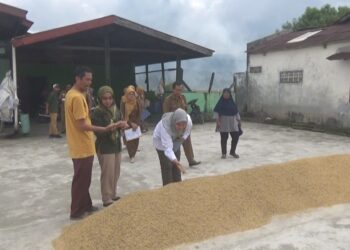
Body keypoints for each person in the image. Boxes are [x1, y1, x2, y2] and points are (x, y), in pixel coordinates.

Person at [65, 66, 118, 220]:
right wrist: (104, 128)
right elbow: (81, 125)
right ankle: (76, 211)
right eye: (86, 79)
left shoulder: (75, 94)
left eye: (90, 79)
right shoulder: (76, 97)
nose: (89, 83)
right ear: (77, 78)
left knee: (84, 178)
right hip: (81, 145)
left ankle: (86, 205)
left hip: (83, 144)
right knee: (81, 180)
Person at [92, 86, 129, 207]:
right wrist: (114, 126)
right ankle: (106, 197)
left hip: (116, 144)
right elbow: (98, 131)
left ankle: (113, 193)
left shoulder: (115, 109)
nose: (107, 101)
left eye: (109, 98)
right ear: (100, 99)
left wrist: (122, 125)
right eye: (104, 99)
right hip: (105, 146)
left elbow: (119, 121)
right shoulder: (97, 111)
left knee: (115, 171)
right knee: (107, 173)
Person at [163, 81, 201, 167]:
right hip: (173, 127)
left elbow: (186, 110)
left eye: (180, 90)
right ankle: (173, 162)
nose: (179, 92)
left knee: (187, 141)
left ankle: (191, 160)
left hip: (183, 125)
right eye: (177, 90)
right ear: (173, 89)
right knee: (173, 145)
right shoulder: (168, 100)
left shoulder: (183, 98)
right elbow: (165, 115)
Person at [153, 108, 190, 185]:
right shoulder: (165, 127)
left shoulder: (188, 121)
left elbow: (187, 131)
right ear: (174, 122)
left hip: (175, 139)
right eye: (178, 124)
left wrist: (182, 139)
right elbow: (168, 149)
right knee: (167, 165)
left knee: (176, 166)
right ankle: (168, 188)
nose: (181, 127)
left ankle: (178, 185)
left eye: (183, 124)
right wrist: (175, 161)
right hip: (161, 143)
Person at [213, 88, 242, 159]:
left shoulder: (232, 103)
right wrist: (218, 122)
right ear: (222, 94)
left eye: (227, 93)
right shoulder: (220, 103)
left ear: (230, 94)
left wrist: (239, 121)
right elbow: (216, 112)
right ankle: (223, 153)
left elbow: (236, 112)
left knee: (236, 137)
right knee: (224, 138)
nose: (226, 94)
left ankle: (232, 152)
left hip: (233, 123)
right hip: (223, 123)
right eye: (224, 93)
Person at [120, 85, 141, 163]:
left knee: (136, 140)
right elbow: (122, 114)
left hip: (136, 123)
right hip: (128, 123)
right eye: (129, 94)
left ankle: (134, 153)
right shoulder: (124, 102)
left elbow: (139, 113)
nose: (131, 95)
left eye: (133, 94)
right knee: (129, 141)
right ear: (126, 94)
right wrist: (130, 123)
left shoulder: (137, 102)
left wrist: (137, 123)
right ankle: (131, 155)